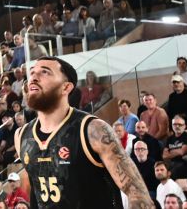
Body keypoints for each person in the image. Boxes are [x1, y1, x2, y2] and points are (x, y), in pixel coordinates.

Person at [14, 57, 153, 208]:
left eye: (45, 72)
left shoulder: (93, 130)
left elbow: (138, 195)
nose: (33, 77)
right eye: (32, 72)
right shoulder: (22, 136)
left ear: (66, 87)